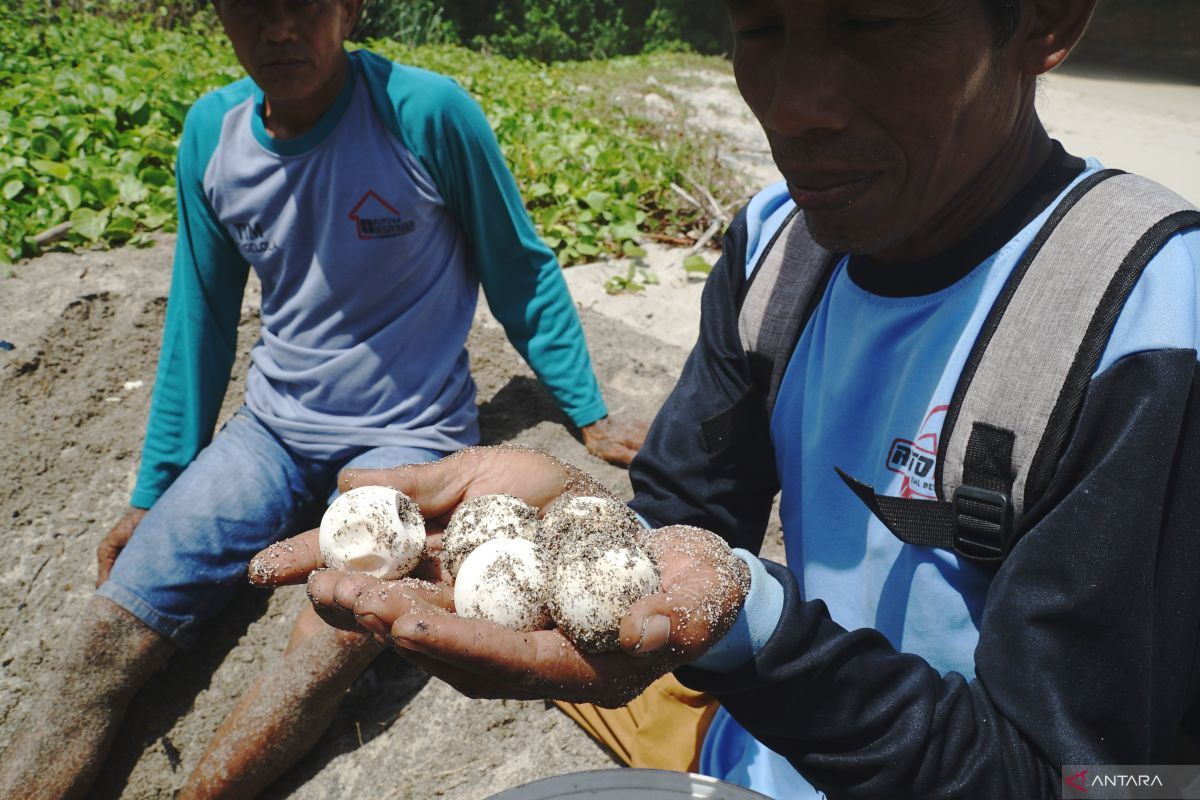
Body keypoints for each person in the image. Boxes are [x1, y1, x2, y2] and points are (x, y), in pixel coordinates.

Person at [251, 0, 1200, 797]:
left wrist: (755, 628)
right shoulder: (779, 251)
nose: (793, 106)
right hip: (768, 757)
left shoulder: (1144, 320)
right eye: (761, 26)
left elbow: (1090, 782)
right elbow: (681, 527)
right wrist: (575, 522)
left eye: (871, 23)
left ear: (1045, 20)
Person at [0, 0, 647, 798]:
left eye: (304, 4)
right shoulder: (213, 134)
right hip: (269, 432)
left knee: (333, 634)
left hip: (407, 440)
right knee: (107, 629)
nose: (278, 30)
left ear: (350, 9)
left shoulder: (424, 114)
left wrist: (590, 411)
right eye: (250, 8)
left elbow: (518, 265)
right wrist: (154, 489)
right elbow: (198, 318)